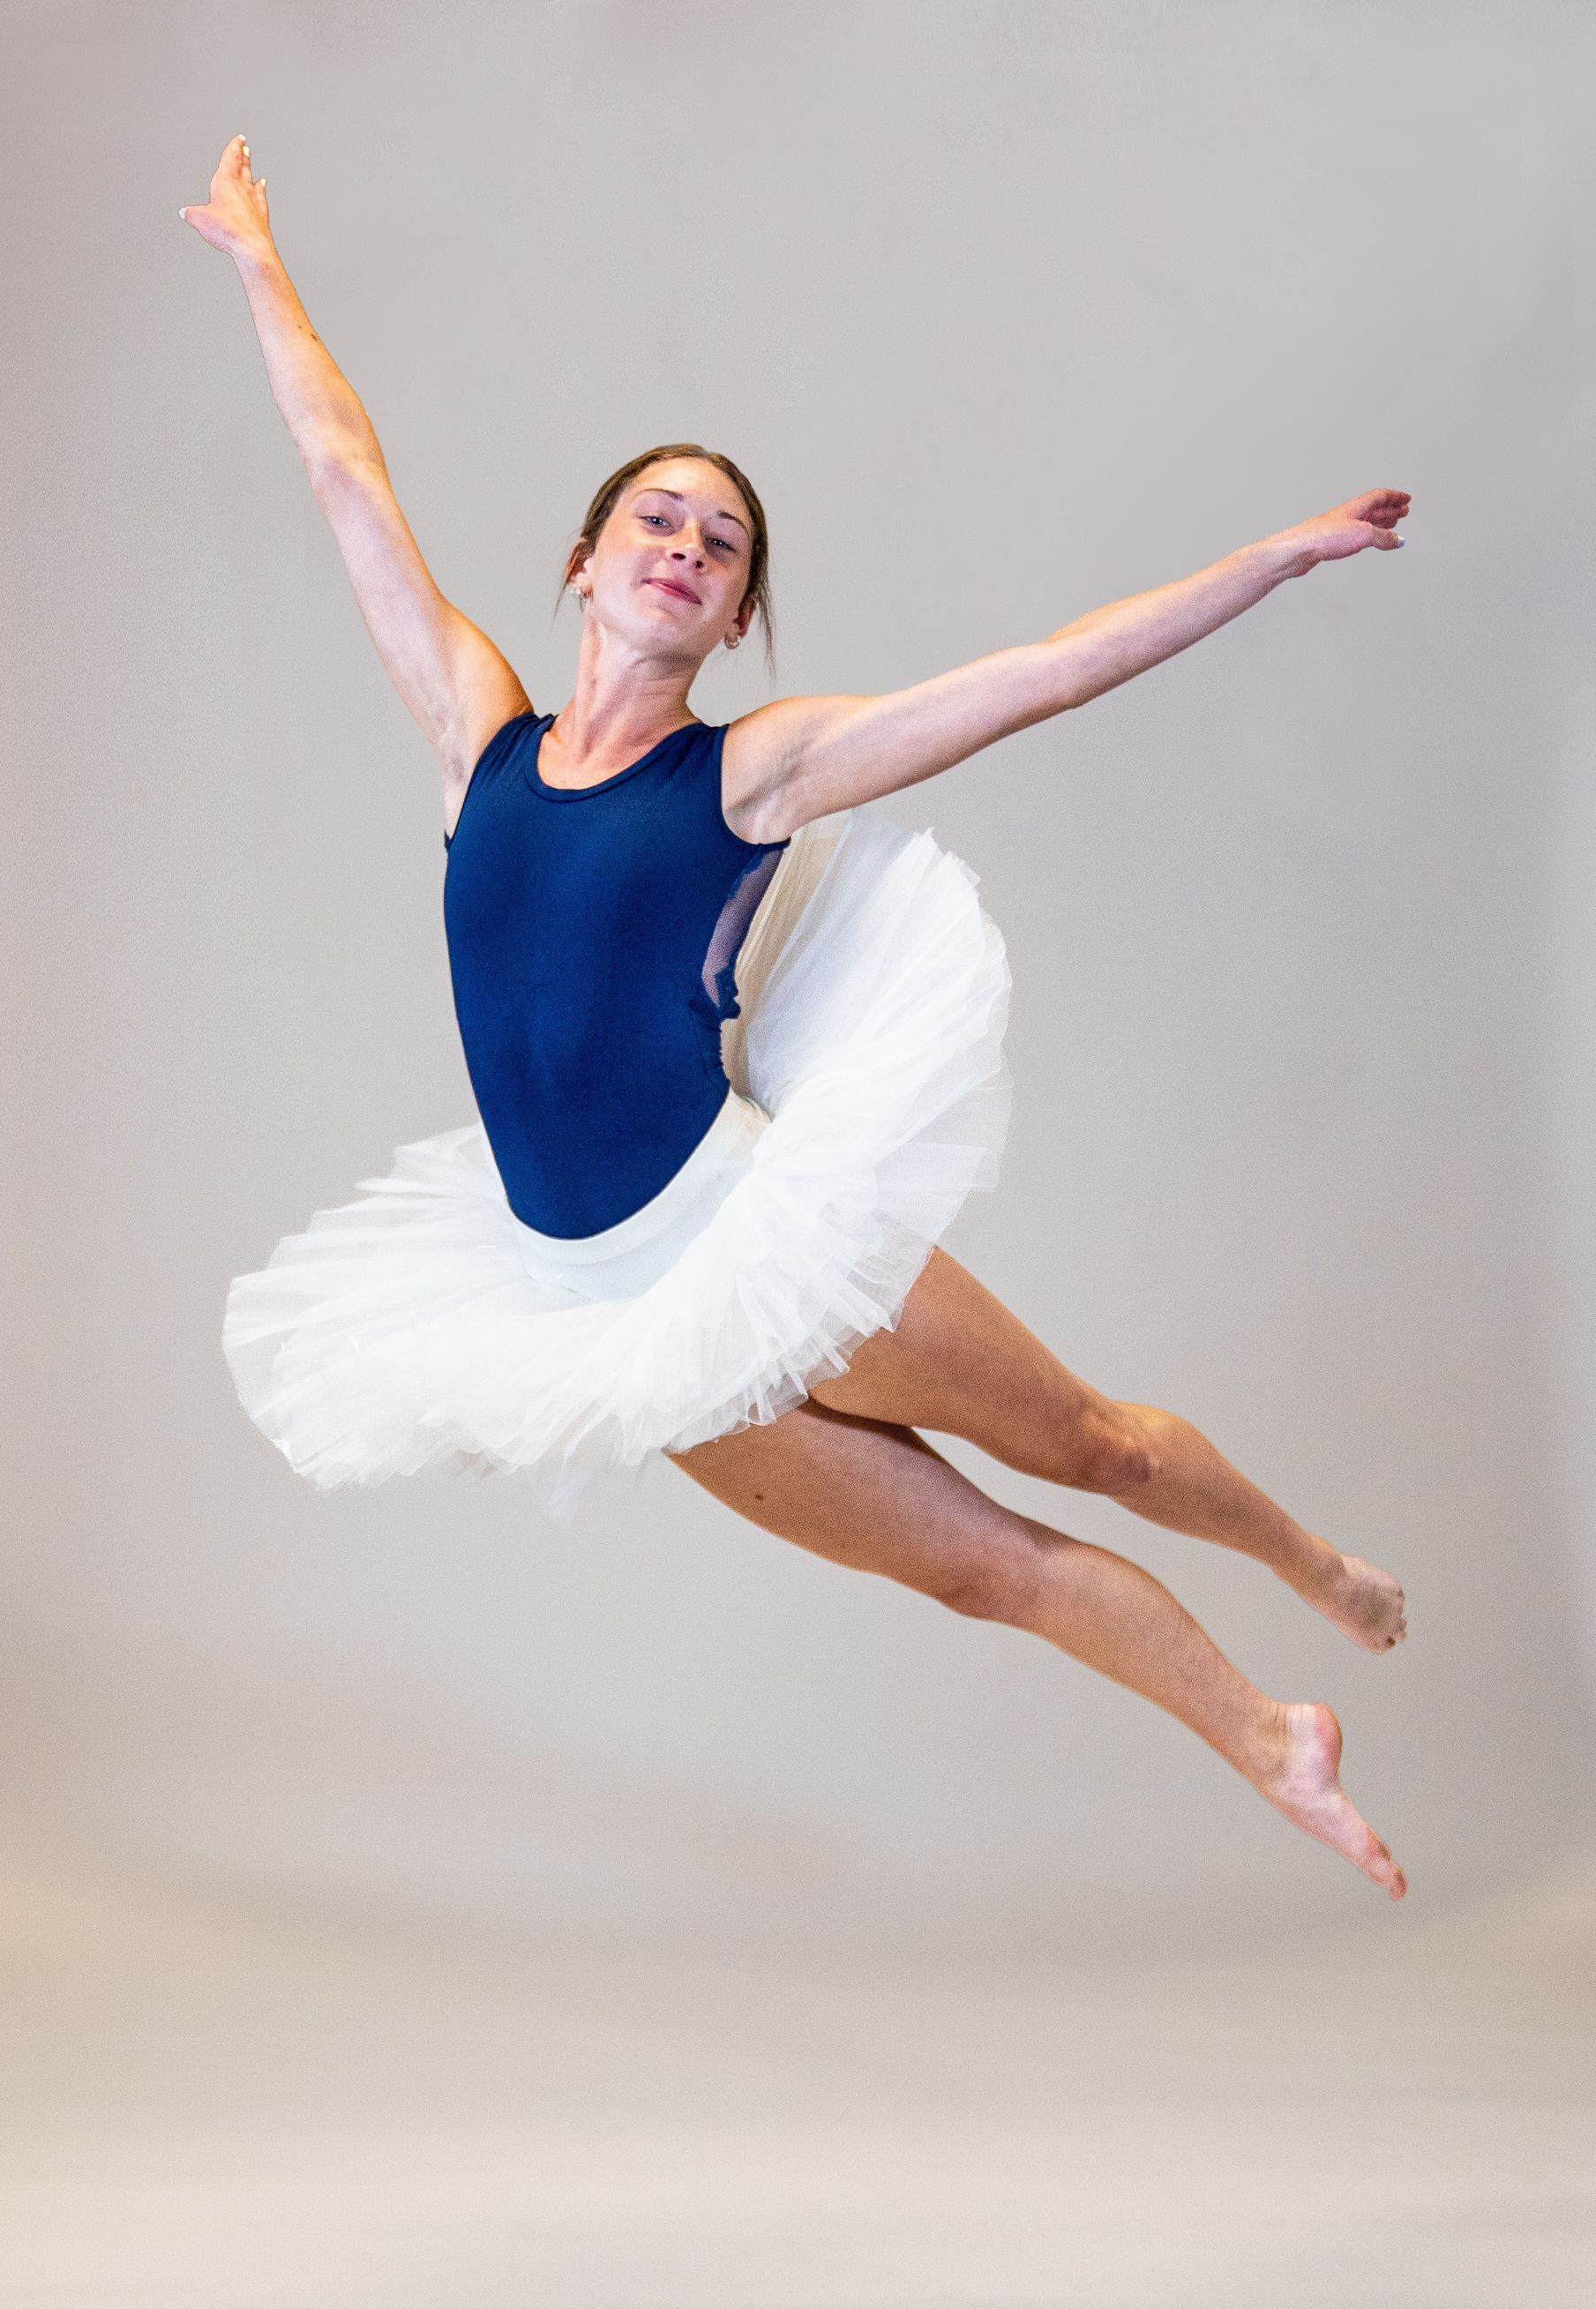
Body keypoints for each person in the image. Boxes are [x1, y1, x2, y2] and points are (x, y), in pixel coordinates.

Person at [186, 135, 1412, 1900]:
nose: (685, 546)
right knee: (985, 1569)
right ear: (585, 560)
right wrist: (255, 262)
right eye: (656, 520)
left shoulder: (750, 769)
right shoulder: (478, 731)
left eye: (723, 540)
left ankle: (1315, 1565)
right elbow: (343, 473)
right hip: (609, 1313)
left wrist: (1275, 560)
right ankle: (1272, 1738)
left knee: (1093, 1447)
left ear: (736, 610)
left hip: (756, 1235)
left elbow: (1046, 671)